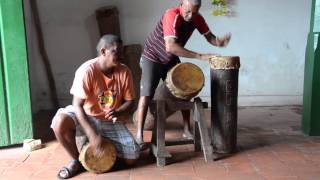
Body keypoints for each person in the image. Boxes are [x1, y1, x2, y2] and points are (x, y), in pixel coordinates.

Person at [135, 0, 231, 149]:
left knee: (185, 89)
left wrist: (219, 42)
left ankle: (187, 129)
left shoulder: (197, 18)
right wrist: (200, 56)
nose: (191, 15)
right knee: (146, 94)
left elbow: (210, 37)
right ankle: (139, 135)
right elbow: (171, 46)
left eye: (195, 12)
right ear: (181, 4)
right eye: (188, 11)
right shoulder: (171, 15)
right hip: (152, 57)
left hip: (170, 58)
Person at [51, 34, 140, 179]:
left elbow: (130, 102)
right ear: (104, 52)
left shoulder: (124, 71)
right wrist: (92, 134)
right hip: (85, 115)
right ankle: (76, 160)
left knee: (133, 157)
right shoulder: (87, 70)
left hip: (108, 119)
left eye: (122, 51)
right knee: (58, 123)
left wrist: (118, 111)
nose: (121, 55)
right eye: (116, 52)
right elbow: (77, 105)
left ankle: (103, 153)